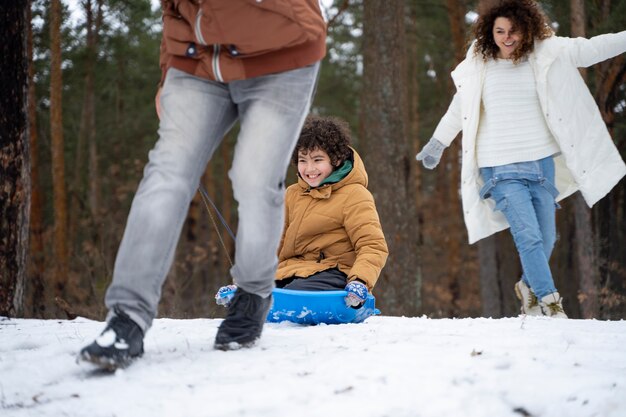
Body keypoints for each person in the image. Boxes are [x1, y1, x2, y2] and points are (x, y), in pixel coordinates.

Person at [79, 0, 327, 369]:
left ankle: (253, 293)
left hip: (282, 57)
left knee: (254, 178)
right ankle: (127, 317)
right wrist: (168, 74)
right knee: (166, 175)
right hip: (197, 63)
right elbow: (172, 8)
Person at [415, 0, 626, 318]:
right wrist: (437, 142)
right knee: (527, 235)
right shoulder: (480, 63)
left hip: (541, 164)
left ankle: (528, 286)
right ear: (490, 32)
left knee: (548, 237)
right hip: (498, 166)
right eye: (499, 31)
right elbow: (462, 107)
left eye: (513, 30)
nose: (507, 37)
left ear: (527, 27)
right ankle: (550, 302)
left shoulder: (547, 51)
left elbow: (591, 49)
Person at [216, 115, 388, 309]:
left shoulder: (354, 194)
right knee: (268, 290)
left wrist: (360, 281)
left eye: (317, 160)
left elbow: (372, 245)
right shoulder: (292, 194)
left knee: (294, 293)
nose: (309, 168)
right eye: (302, 160)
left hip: (336, 273)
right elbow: (275, 244)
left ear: (336, 159)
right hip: (293, 271)